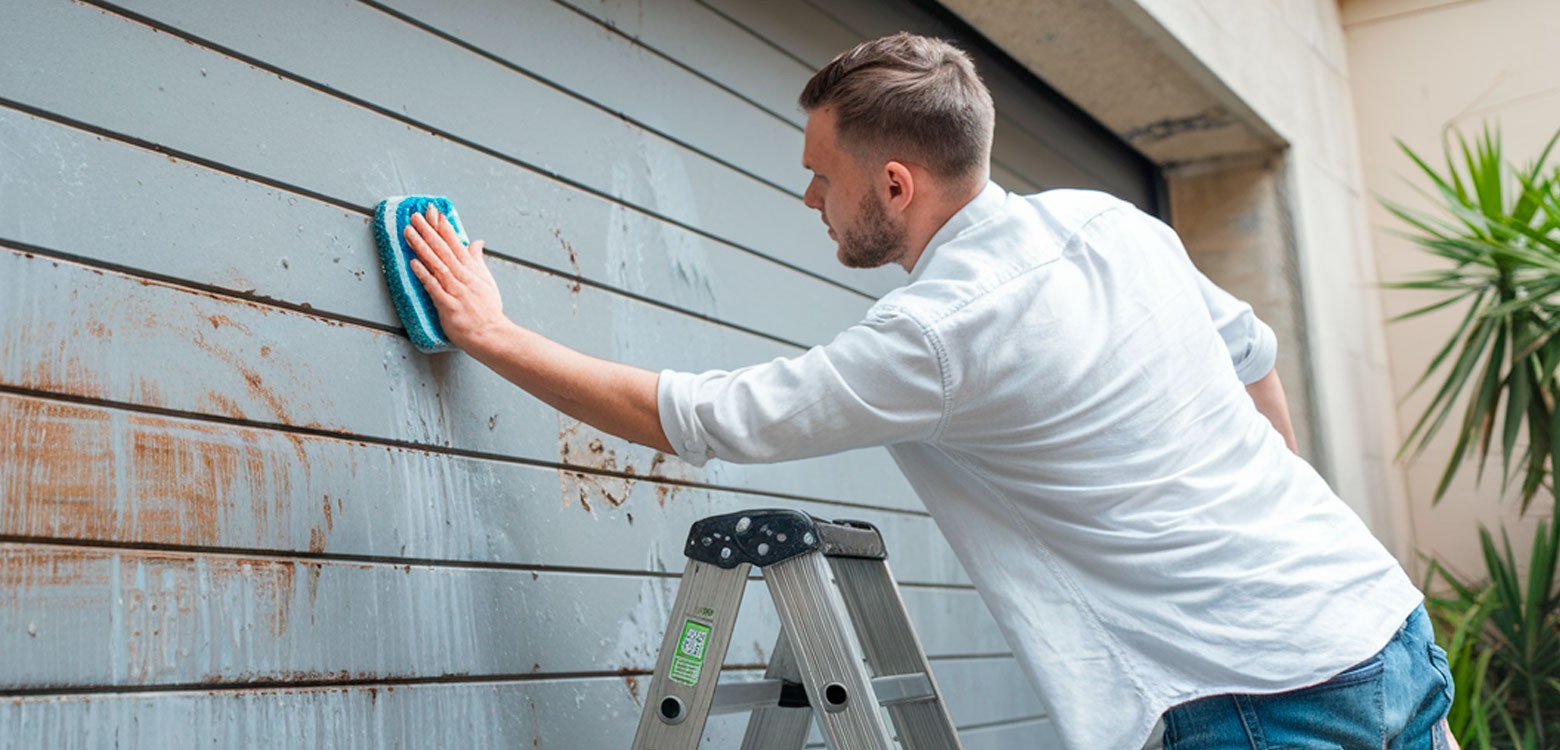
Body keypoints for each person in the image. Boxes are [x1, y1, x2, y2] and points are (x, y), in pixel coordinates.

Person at [397, 32, 1451, 750]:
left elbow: (705, 416)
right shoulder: (1110, 223)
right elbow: (1254, 350)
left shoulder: (941, 331)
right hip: (1375, 620)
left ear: (894, 181)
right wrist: (1273, 510)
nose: (809, 194)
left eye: (821, 171)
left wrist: (490, 331)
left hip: (1260, 701)